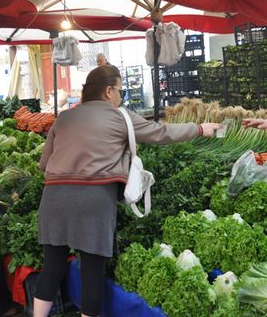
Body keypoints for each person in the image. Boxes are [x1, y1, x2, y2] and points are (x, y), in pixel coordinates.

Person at [33, 65, 220, 317]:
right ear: (109, 91)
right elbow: (160, 133)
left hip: (54, 198)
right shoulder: (120, 116)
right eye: (120, 91)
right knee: (91, 270)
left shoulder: (64, 118)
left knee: (52, 266)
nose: (121, 96)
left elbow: (43, 164)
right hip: (94, 198)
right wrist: (198, 128)